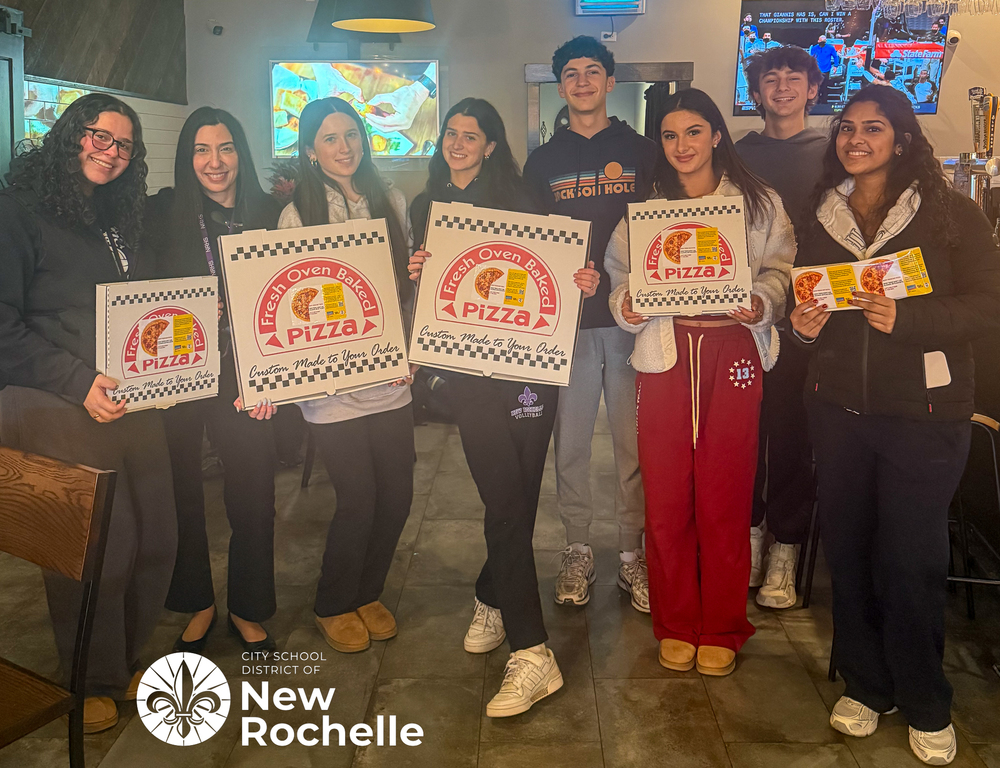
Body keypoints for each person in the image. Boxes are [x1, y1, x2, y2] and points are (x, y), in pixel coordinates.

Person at [789, 86, 1000, 766]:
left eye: (873, 128)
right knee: (849, 553)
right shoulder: (821, 215)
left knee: (911, 560)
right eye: (847, 128)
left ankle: (925, 698)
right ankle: (865, 684)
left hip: (925, 414)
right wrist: (802, 327)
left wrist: (909, 321)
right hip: (840, 407)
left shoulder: (951, 215)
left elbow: (987, 307)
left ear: (902, 139)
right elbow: (806, 294)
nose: (856, 138)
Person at [408, 98, 600, 717]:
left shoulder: (524, 198)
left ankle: (492, 594)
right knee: (505, 497)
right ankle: (533, 651)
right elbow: (432, 285)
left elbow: (557, 269)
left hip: (528, 370)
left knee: (513, 493)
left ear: (491, 144)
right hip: (466, 372)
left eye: (471, 135)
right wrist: (418, 271)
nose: (457, 144)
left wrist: (583, 279)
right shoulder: (424, 206)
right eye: (450, 134)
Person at [0, 93, 177, 732]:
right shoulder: (18, 213)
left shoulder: (116, 213)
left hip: (131, 395)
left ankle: (125, 658)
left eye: (124, 145)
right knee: (104, 545)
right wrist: (78, 382)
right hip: (56, 401)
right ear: (70, 135)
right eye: (99, 137)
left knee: (159, 533)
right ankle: (90, 677)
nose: (111, 152)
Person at [606, 88, 795, 676]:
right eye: (669, 135)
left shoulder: (758, 203)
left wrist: (761, 299)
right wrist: (628, 304)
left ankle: (720, 622)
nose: (682, 145)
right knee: (665, 494)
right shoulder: (647, 210)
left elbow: (781, 269)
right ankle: (676, 619)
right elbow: (619, 277)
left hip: (731, 352)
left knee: (726, 490)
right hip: (665, 353)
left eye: (693, 132)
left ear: (716, 134)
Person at [522, 35, 657, 613]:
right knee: (570, 444)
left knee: (634, 446)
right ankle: (576, 547)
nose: (582, 81)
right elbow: (526, 240)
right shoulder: (542, 161)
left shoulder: (643, 150)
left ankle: (632, 553)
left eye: (592, 71)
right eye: (571, 73)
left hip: (632, 320)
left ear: (609, 82)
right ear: (561, 86)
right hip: (566, 326)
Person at [144, 107, 284, 654]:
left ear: (240, 153)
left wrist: (275, 376)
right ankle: (197, 600)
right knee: (180, 485)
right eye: (201, 151)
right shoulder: (163, 214)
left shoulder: (270, 213)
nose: (215, 162)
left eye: (225, 148)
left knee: (253, 488)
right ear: (186, 159)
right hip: (179, 363)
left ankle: (249, 606)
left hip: (247, 367)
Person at [278, 97, 414, 654]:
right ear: (311, 150)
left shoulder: (391, 198)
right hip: (330, 384)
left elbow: (407, 283)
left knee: (398, 494)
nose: (344, 147)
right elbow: (290, 298)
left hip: (390, 374)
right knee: (358, 496)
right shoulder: (297, 215)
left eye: (351, 134)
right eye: (330, 138)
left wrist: (411, 349)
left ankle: (367, 591)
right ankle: (333, 603)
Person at [737, 46, 826, 609]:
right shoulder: (737, 155)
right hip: (744, 314)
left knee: (794, 431)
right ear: (757, 91)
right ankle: (746, 535)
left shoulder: (834, 152)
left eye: (796, 77)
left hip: (811, 314)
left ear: (813, 89)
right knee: (744, 427)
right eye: (771, 78)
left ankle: (785, 546)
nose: (784, 85)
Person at [810, 35, 842, 103]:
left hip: (826, 70)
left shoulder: (830, 48)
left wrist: (836, 66)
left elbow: (835, 56)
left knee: (824, 87)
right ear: (818, 41)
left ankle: (824, 102)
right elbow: (811, 58)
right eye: (821, 41)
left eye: (823, 42)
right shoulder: (814, 48)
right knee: (817, 87)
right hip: (817, 71)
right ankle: (816, 103)